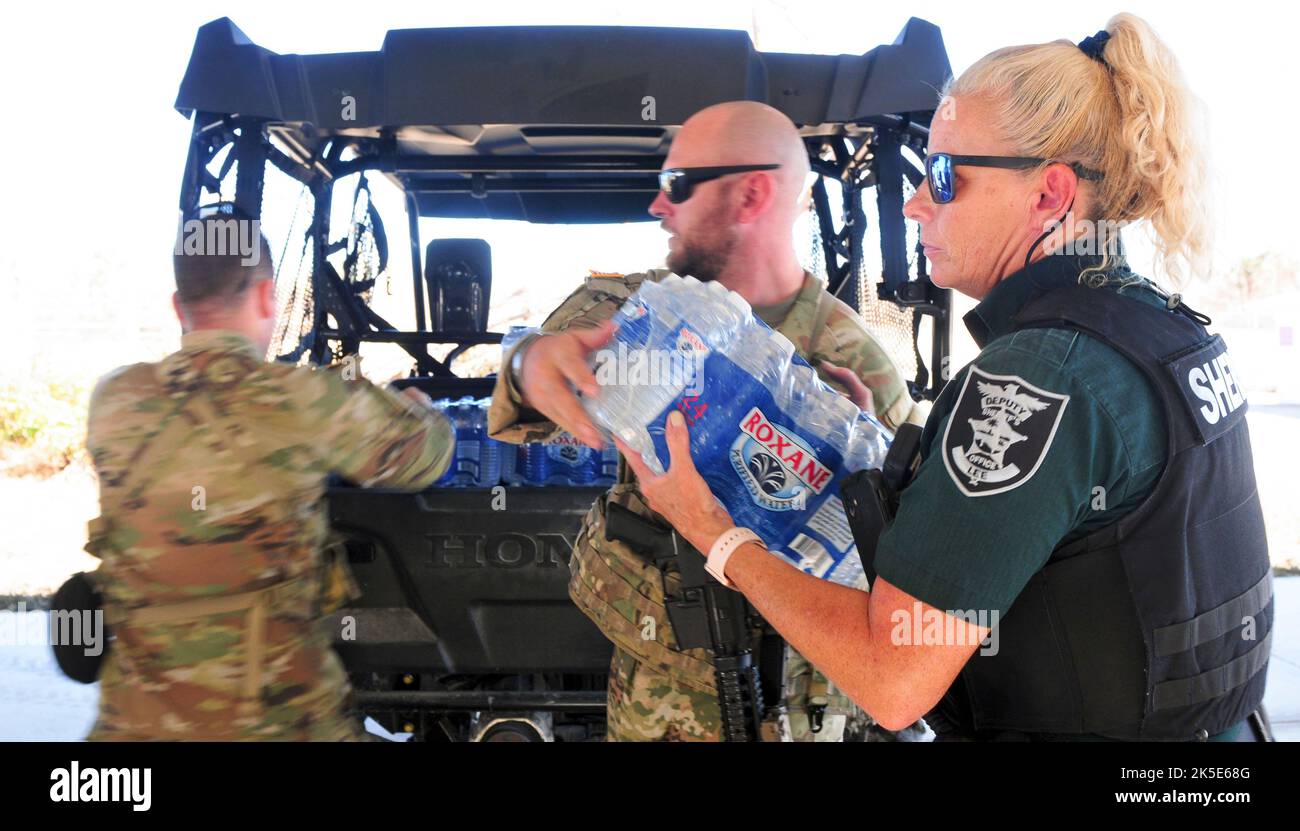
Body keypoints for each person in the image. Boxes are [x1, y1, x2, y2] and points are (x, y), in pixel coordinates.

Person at [618, 14, 1273, 741]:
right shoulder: (1167, 330)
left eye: (943, 176)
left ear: (1049, 196)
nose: (915, 202)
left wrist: (714, 532)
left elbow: (892, 679)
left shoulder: (1036, 377)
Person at [488, 100, 929, 741]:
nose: (657, 206)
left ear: (750, 194)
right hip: (658, 699)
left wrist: (860, 472)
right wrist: (529, 360)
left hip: (795, 705)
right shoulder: (635, 311)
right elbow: (533, 377)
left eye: (676, 185)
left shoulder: (852, 357)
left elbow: (897, 563)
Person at [83, 207, 454, 740]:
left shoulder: (113, 399)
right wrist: (419, 408)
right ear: (264, 297)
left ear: (177, 305)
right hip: (279, 721)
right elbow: (429, 456)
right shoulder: (301, 398)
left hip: (132, 728)